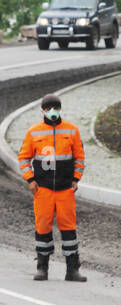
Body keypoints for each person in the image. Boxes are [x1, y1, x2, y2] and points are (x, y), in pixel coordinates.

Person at [17, 94, 87, 282]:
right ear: (43, 111)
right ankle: (42, 268)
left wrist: (76, 179)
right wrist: (30, 180)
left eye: (55, 107)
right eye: (48, 108)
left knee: (69, 228)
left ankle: (72, 270)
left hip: (65, 189)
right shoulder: (34, 132)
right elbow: (23, 158)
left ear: (60, 109)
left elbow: (79, 157)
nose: (52, 111)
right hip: (43, 189)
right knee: (42, 227)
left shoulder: (71, 130)